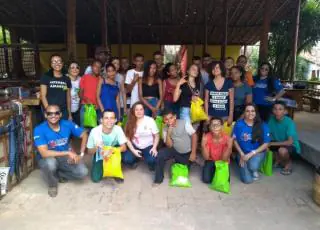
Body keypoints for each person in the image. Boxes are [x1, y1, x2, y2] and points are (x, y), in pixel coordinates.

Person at [33, 105, 88, 197]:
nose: (53, 116)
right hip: (47, 158)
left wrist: (81, 154)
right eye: (49, 113)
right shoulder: (39, 129)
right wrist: (68, 152)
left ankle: (58, 174)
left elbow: (84, 134)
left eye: (56, 113)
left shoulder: (67, 124)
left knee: (83, 172)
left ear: (60, 114)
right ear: (45, 115)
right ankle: (52, 184)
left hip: (63, 157)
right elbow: (44, 153)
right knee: (50, 163)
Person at [154, 108, 197, 185]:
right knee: (160, 154)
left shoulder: (184, 123)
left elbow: (194, 136)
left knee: (183, 169)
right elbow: (169, 145)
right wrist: (169, 133)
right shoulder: (164, 128)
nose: (169, 121)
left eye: (171, 118)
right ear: (164, 121)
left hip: (186, 152)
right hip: (175, 150)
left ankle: (178, 162)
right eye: (166, 119)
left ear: (175, 116)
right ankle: (158, 179)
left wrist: (193, 153)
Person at [233, 104, 270, 184]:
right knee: (247, 180)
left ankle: (253, 169)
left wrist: (251, 154)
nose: (250, 113)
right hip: (242, 152)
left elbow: (266, 144)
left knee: (253, 166)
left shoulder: (263, 125)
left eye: (253, 111)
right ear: (244, 113)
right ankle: (238, 158)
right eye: (247, 111)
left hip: (257, 152)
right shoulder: (239, 124)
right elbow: (234, 140)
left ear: (256, 112)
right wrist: (242, 154)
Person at [86, 109, 128, 182]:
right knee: (96, 178)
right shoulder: (94, 131)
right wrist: (96, 147)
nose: (109, 121)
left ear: (115, 120)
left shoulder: (118, 129)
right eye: (106, 118)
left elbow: (124, 148)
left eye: (112, 118)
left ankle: (116, 168)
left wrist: (112, 151)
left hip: (113, 150)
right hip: (100, 152)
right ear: (101, 120)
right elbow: (89, 152)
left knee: (122, 155)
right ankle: (105, 166)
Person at [123, 102, 160, 171]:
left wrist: (154, 148)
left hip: (148, 146)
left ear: (144, 110)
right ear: (133, 111)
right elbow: (127, 138)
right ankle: (135, 160)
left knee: (152, 159)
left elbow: (157, 135)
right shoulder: (129, 121)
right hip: (135, 145)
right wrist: (133, 150)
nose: (139, 112)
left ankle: (149, 162)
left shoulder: (150, 120)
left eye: (141, 109)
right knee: (126, 159)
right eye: (136, 110)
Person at [268, 101, 301, 175]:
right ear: (273, 110)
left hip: (292, 146)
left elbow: (290, 142)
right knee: (265, 143)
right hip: (279, 143)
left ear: (285, 111)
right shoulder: (271, 120)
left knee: (282, 151)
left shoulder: (289, 122)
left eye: (280, 109)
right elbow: (268, 134)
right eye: (275, 109)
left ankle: (288, 163)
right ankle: (278, 159)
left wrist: (271, 143)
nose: (277, 111)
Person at [40, 54, 72, 120]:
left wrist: (69, 114)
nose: (57, 63)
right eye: (54, 62)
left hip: (63, 111)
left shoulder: (66, 79)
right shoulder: (46, 77)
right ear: (51, 64)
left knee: (63, 129)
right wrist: (49, 111)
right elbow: (43, 96)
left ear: (62, 63)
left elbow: (68, 97)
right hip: (50, 111)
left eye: (59, 61)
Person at [201, 117, 233, 184]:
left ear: (222, 127)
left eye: (218, 125)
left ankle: (215, 172)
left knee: (225, 181)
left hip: (222, 161)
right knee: (206, 180)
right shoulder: (206, 137)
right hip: (211, 160)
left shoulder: (227, 138)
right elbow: (206, 158)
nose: (215, 127)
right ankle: (214, 171)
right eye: (213, 125)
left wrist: (229, 147)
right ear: (209, 127)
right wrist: (203, 145)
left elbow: (224, 159)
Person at [204, 61, 234, 126]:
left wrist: (231, 116)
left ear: (222, 69)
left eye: (217, 67)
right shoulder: (208, 84)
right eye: (213, 68)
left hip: (225, 116)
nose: (215, 69)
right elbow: (206, 101)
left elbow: (231, 101)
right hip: (211, 115)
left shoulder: (229, 83)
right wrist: (206, 116)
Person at [79, 59, 102, 127]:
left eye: (99, 67)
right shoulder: (85, 77)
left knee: (97, 131)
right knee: (85, 130)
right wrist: (87, 101)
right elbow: (80, 93)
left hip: (97, 108)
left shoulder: (101, 80)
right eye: (95, 66)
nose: (97, 68)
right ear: (91, 67)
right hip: (86, 107)